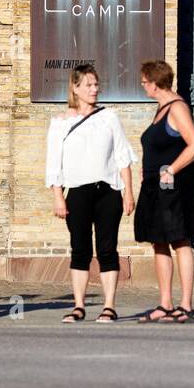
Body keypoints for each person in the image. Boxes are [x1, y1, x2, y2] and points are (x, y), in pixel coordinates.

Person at [46, 64, 138, 322]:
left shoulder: (109, 117)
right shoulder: (60, 123)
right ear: (75, 87)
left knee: (108, 248)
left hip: (108, 191)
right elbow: (54, 162)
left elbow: (122, 156)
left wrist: (128, 192)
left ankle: (109, 305)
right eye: (88, 85)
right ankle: (79, 306)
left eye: (96, 84)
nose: (94, 89)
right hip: (77, 192)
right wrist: (57, 196)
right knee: (80, 249)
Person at [134, 60, 194, 323]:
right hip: (153, 186)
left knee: (179, 240)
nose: (143, 87)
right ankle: (165, 303)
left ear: (154, 83)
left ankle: (185, 304)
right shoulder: (161, 109)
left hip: (172, 187)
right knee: (158, 241)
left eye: (144, 82)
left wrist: (171, 169)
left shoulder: (177, 107)